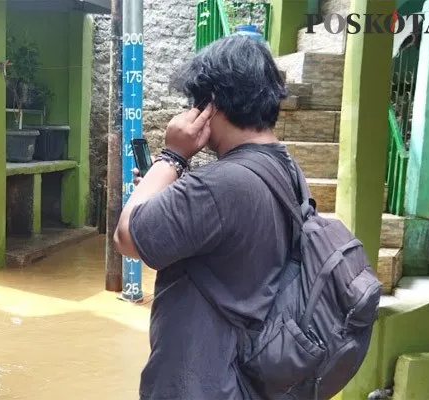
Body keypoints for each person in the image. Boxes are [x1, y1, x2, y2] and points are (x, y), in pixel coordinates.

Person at [114, 35, 299, 399]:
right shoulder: (284, 167)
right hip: (247, 373)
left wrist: (172, 157)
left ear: (210, 104)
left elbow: (127, 239)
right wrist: (171, 186)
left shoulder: (220, 185)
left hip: (201, 382)